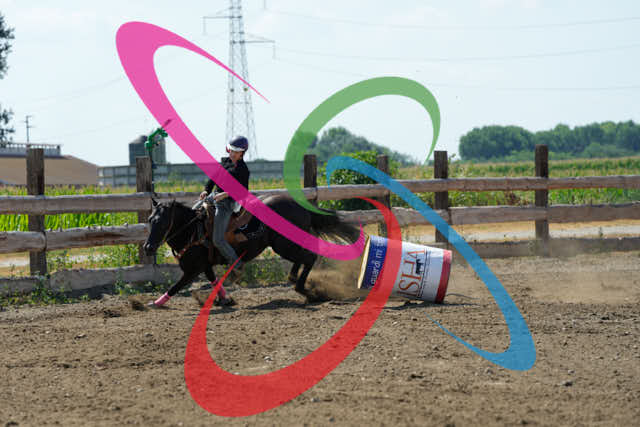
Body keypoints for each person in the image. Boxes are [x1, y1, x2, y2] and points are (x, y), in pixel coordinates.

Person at [199, 136, 250, 276]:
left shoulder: (243, 170)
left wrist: (225, 194)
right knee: (195, 211)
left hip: (227, 203)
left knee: (218, 239)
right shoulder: (224, 162)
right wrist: (206, 190)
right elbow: (213, 178)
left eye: (236, 151)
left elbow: (243, 192)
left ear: (242, 153)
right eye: (231, 150)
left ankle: (237, 264)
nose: (232, 153)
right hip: (214, 195)